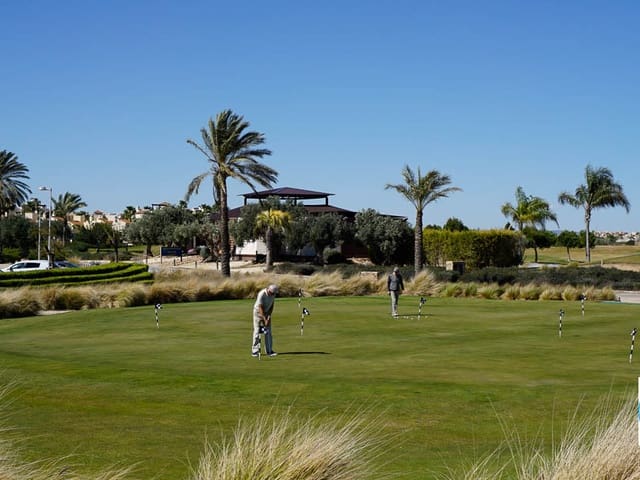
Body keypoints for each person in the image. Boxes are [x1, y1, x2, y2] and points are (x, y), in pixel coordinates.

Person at [251, 284, 278, 357]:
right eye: (272, 293)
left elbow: (272, 305)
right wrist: (264, 319)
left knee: (268, 331)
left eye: (274, 293)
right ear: (268, 290)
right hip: (258, 313)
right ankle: (255, 351)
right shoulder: (261, 294)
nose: (273, 294)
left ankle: (269, 351)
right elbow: (260, 307)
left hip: (266, 312)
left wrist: (268, 317)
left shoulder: (273, 294)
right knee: (257, 331)